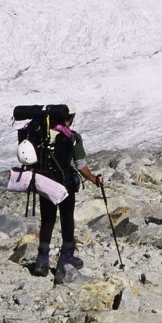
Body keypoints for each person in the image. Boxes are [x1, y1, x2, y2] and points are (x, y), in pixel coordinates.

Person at [32, 105, 103, 277]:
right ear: (68, 118)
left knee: (47, 220)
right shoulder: (72, 137)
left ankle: (41, 262)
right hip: (65, 184)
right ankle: (66, 258)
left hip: (44, 182)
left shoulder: (41, 133)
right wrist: (94, 179)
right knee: (66, 218)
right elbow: (81, 165)